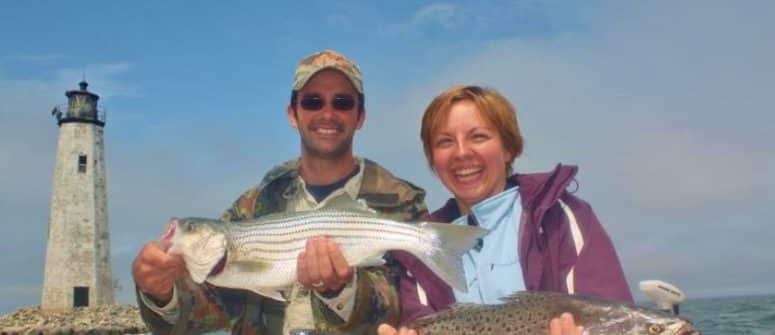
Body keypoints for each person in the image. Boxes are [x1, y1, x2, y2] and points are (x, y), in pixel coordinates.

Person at [132, 50, 428, 335]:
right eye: (312, 102)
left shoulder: (402, 203)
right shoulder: (253, 205)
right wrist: (160, 294)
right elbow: (210, 310)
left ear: (360, 116)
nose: (327, 113)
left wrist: (344, 291)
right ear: (292, 113)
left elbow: (420, 306)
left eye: (342, 102)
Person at [378, 85, 633, 335]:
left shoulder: (560, 215)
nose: (462, 152)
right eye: (445, 142)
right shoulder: (420, 247)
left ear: (508, 148)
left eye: (478, 136)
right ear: (433, 159)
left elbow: (608, 308)